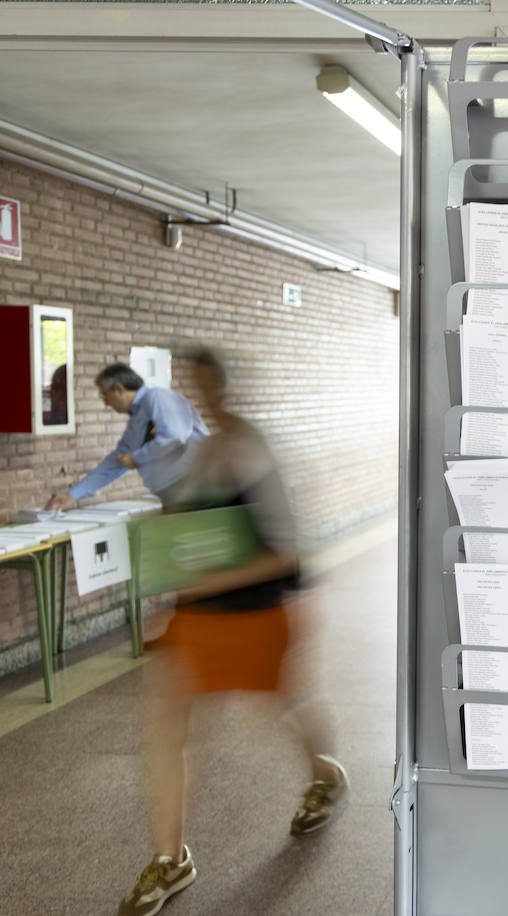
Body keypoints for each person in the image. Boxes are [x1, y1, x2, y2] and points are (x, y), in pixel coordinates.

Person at [117, 348, 346, 916]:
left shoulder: (253, 449)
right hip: (201, 617)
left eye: (210, 382)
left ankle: (326, 775)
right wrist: (164, 550)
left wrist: (208, 575)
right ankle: (171, 859)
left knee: (286, 703)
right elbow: (194, 529)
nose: (205, 394)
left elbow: (287, 556)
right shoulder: (206, 449)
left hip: (260, 613)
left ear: (228, 386)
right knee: (168, 728)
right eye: (196, 385)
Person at [44, 363, 207, 511]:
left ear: (119, 388)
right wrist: (73, 494)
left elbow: (174, 436)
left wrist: (138, 457)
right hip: (175, 495)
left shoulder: (157, 397)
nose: (106, 403)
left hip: (199, 488)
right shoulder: (137, 419)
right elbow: (117, 461)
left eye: (105, 395)